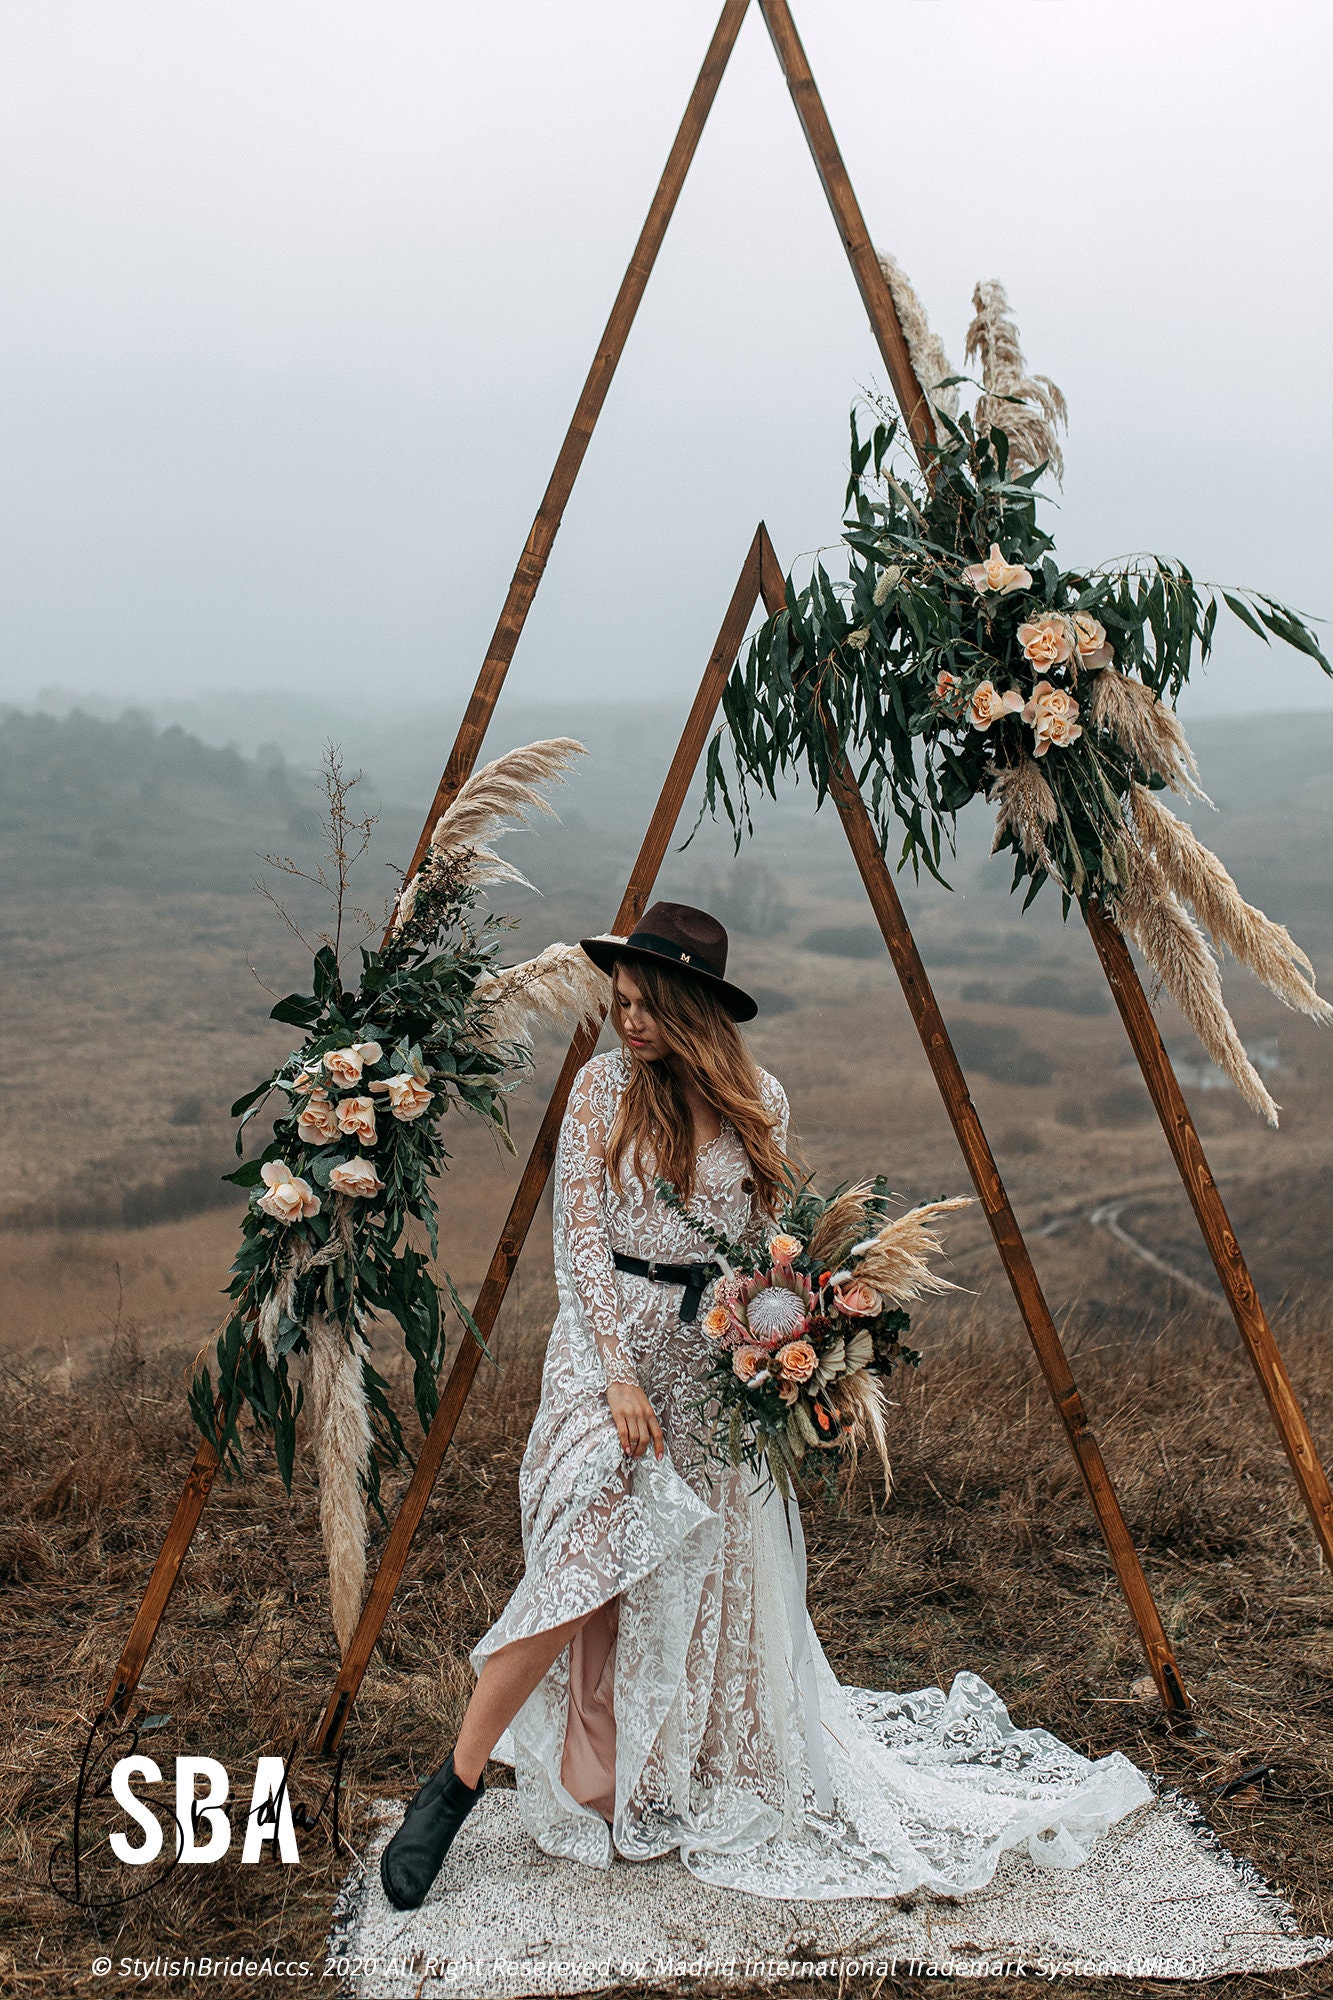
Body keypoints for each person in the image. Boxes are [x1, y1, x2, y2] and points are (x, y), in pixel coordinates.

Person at [379, 902, 1151, 1911]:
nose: (629, 1022)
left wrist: (788, 1342)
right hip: (604, 1341)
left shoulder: (761, 1101)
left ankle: (640, 1766)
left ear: (695, 1008)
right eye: (620, 1002)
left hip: (707, 1352)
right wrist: (614, 1372)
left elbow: (767, 1251)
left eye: (648, 1006)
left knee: (674, 1568)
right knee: (579, 1545)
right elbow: (575, 1246)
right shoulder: (598, 1087)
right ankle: (453, 1786)